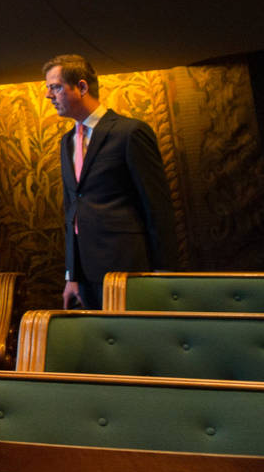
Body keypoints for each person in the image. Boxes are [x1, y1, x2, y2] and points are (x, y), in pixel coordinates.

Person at [46, 54, 177, 309]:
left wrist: (165, 274)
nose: (49, 95)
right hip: (84, 279)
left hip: (129, 271)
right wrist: (71, 275)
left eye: (56, 87)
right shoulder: (66, 141)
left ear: (82, 87)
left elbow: (158, 208)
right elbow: (71, 210)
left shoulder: (130, 133)